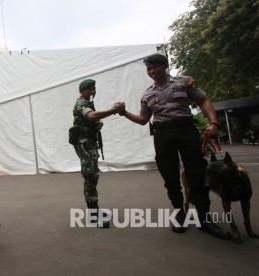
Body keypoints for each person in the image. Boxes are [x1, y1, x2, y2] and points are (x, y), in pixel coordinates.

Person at [113, 53, 231, 240]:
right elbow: (144, 120)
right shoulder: (147, 94)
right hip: (162, 134)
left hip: (186, 130)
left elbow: (203, 100)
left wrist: (214, 123)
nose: (151, 71)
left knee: (197, 174)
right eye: (148, 69)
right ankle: (179, 213)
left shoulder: (184, 82)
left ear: (165, 66)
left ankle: (204, 219)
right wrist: (123, 112)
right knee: (169, 175)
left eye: (154, 67)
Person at [71, 79, 119, 228]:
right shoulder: (81, 103)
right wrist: (112, 111)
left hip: (89, 142)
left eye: (94, 89)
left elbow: (91, 119)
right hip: (84, 143)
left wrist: (97, 124)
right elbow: (91, 116)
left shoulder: (88, 102)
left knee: (93, 175)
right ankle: (93, 216)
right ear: (82, 90)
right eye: (90, 89)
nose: (93, 91)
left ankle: (95, 210)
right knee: (90, 175)